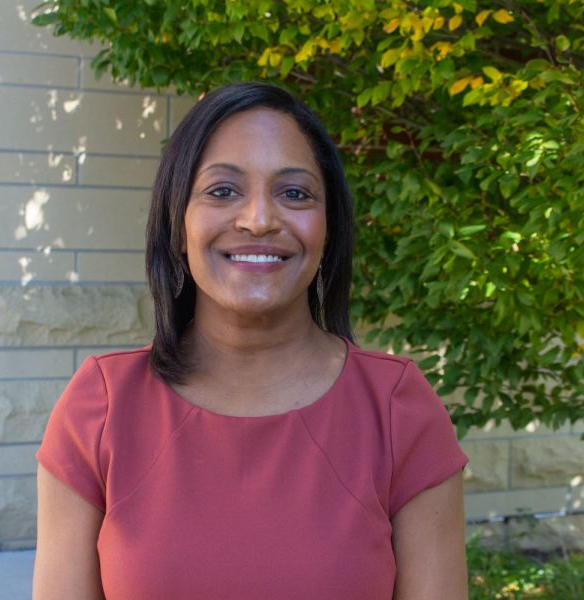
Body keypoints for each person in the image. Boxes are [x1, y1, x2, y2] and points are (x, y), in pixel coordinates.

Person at [32, 82, 468, 599]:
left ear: (329, 227)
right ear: (178, 222)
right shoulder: (100, 407)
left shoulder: (398, 411)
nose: (260, 219)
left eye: (295, 193)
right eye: (222, 191)